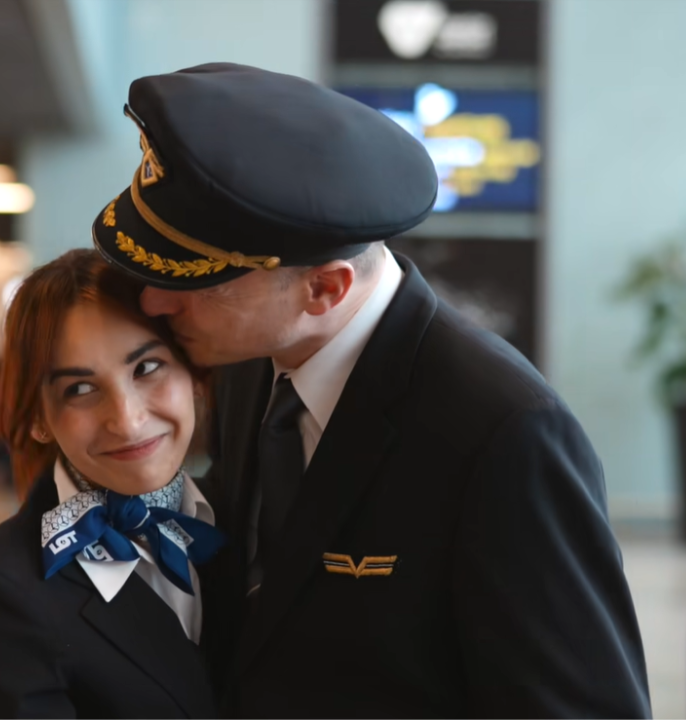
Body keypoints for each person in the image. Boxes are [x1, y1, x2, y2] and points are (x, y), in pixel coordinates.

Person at [90, 63, 652, 719]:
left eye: (193, 282)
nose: (154, 301)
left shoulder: (500, 433)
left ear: (324, 289)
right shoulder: (255, 360)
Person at [0, 249, 224, 720]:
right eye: (81, 389)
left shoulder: (246, 517)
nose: (129, 422)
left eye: (147, 368)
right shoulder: (0, 594)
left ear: (193, 371)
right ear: (38, 420)